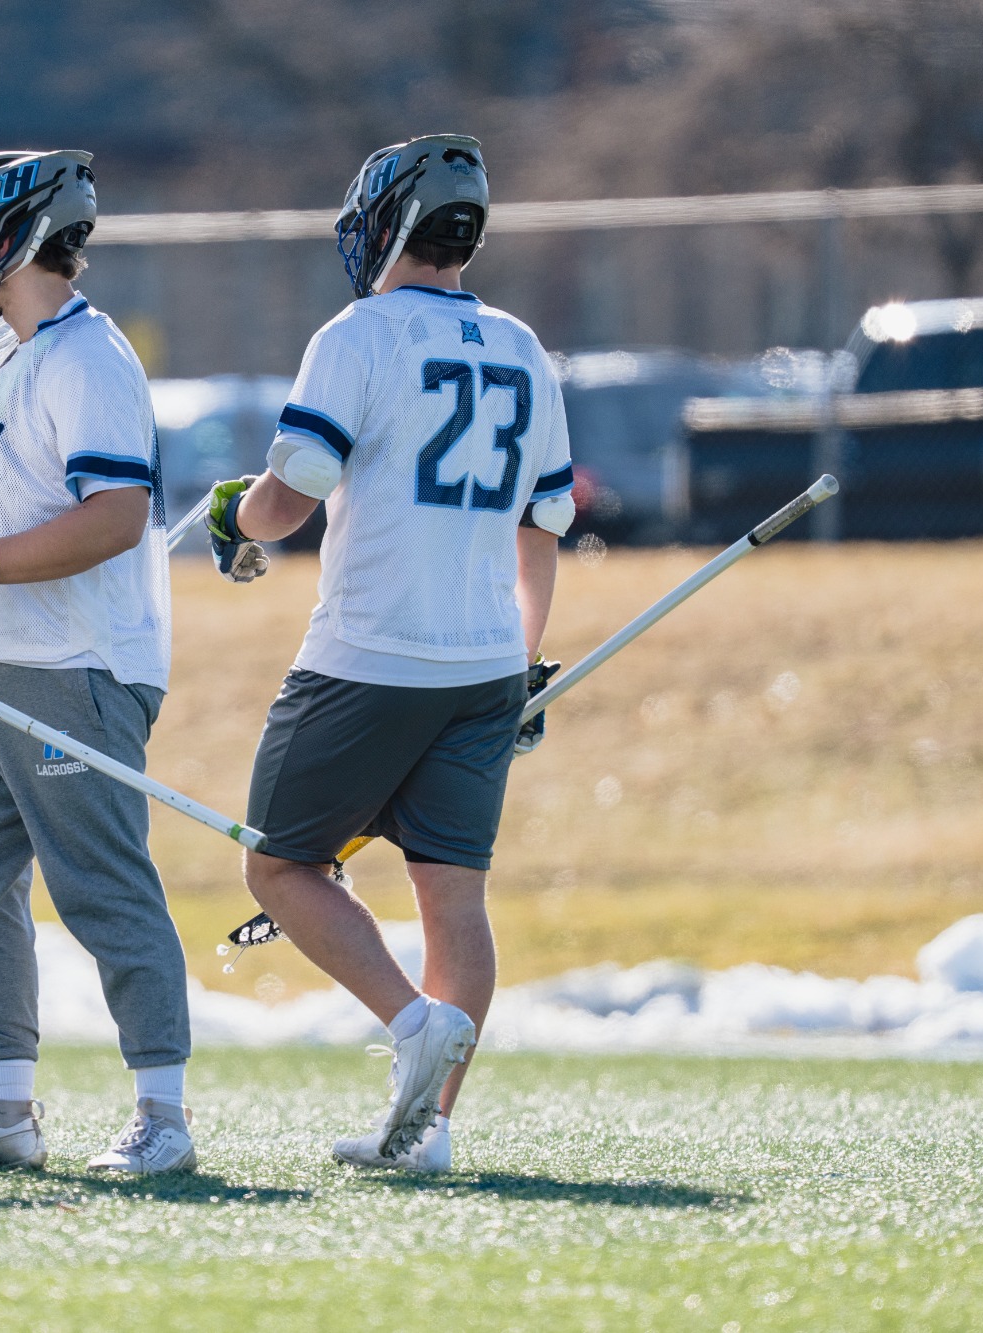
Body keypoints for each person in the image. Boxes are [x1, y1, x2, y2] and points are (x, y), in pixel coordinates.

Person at [206, 134, 573, 1172]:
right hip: (483, 665)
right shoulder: (520, 344)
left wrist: (238, 514)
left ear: (383, 223)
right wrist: (521, 660)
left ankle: (409, 1022)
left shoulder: (356, 335)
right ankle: (429, 1128)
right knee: (450, 895)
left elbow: (286, 504)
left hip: (366, 654)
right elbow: (537, 534)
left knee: (279, 865)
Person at [0, 149, 194, 1176]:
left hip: (78, 665)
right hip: (1, 668)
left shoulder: (87, 357)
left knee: (101, 887)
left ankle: (162, 1110)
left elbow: (112, 518)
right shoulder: (16, 360)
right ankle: (5, 1104)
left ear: (15, 233)